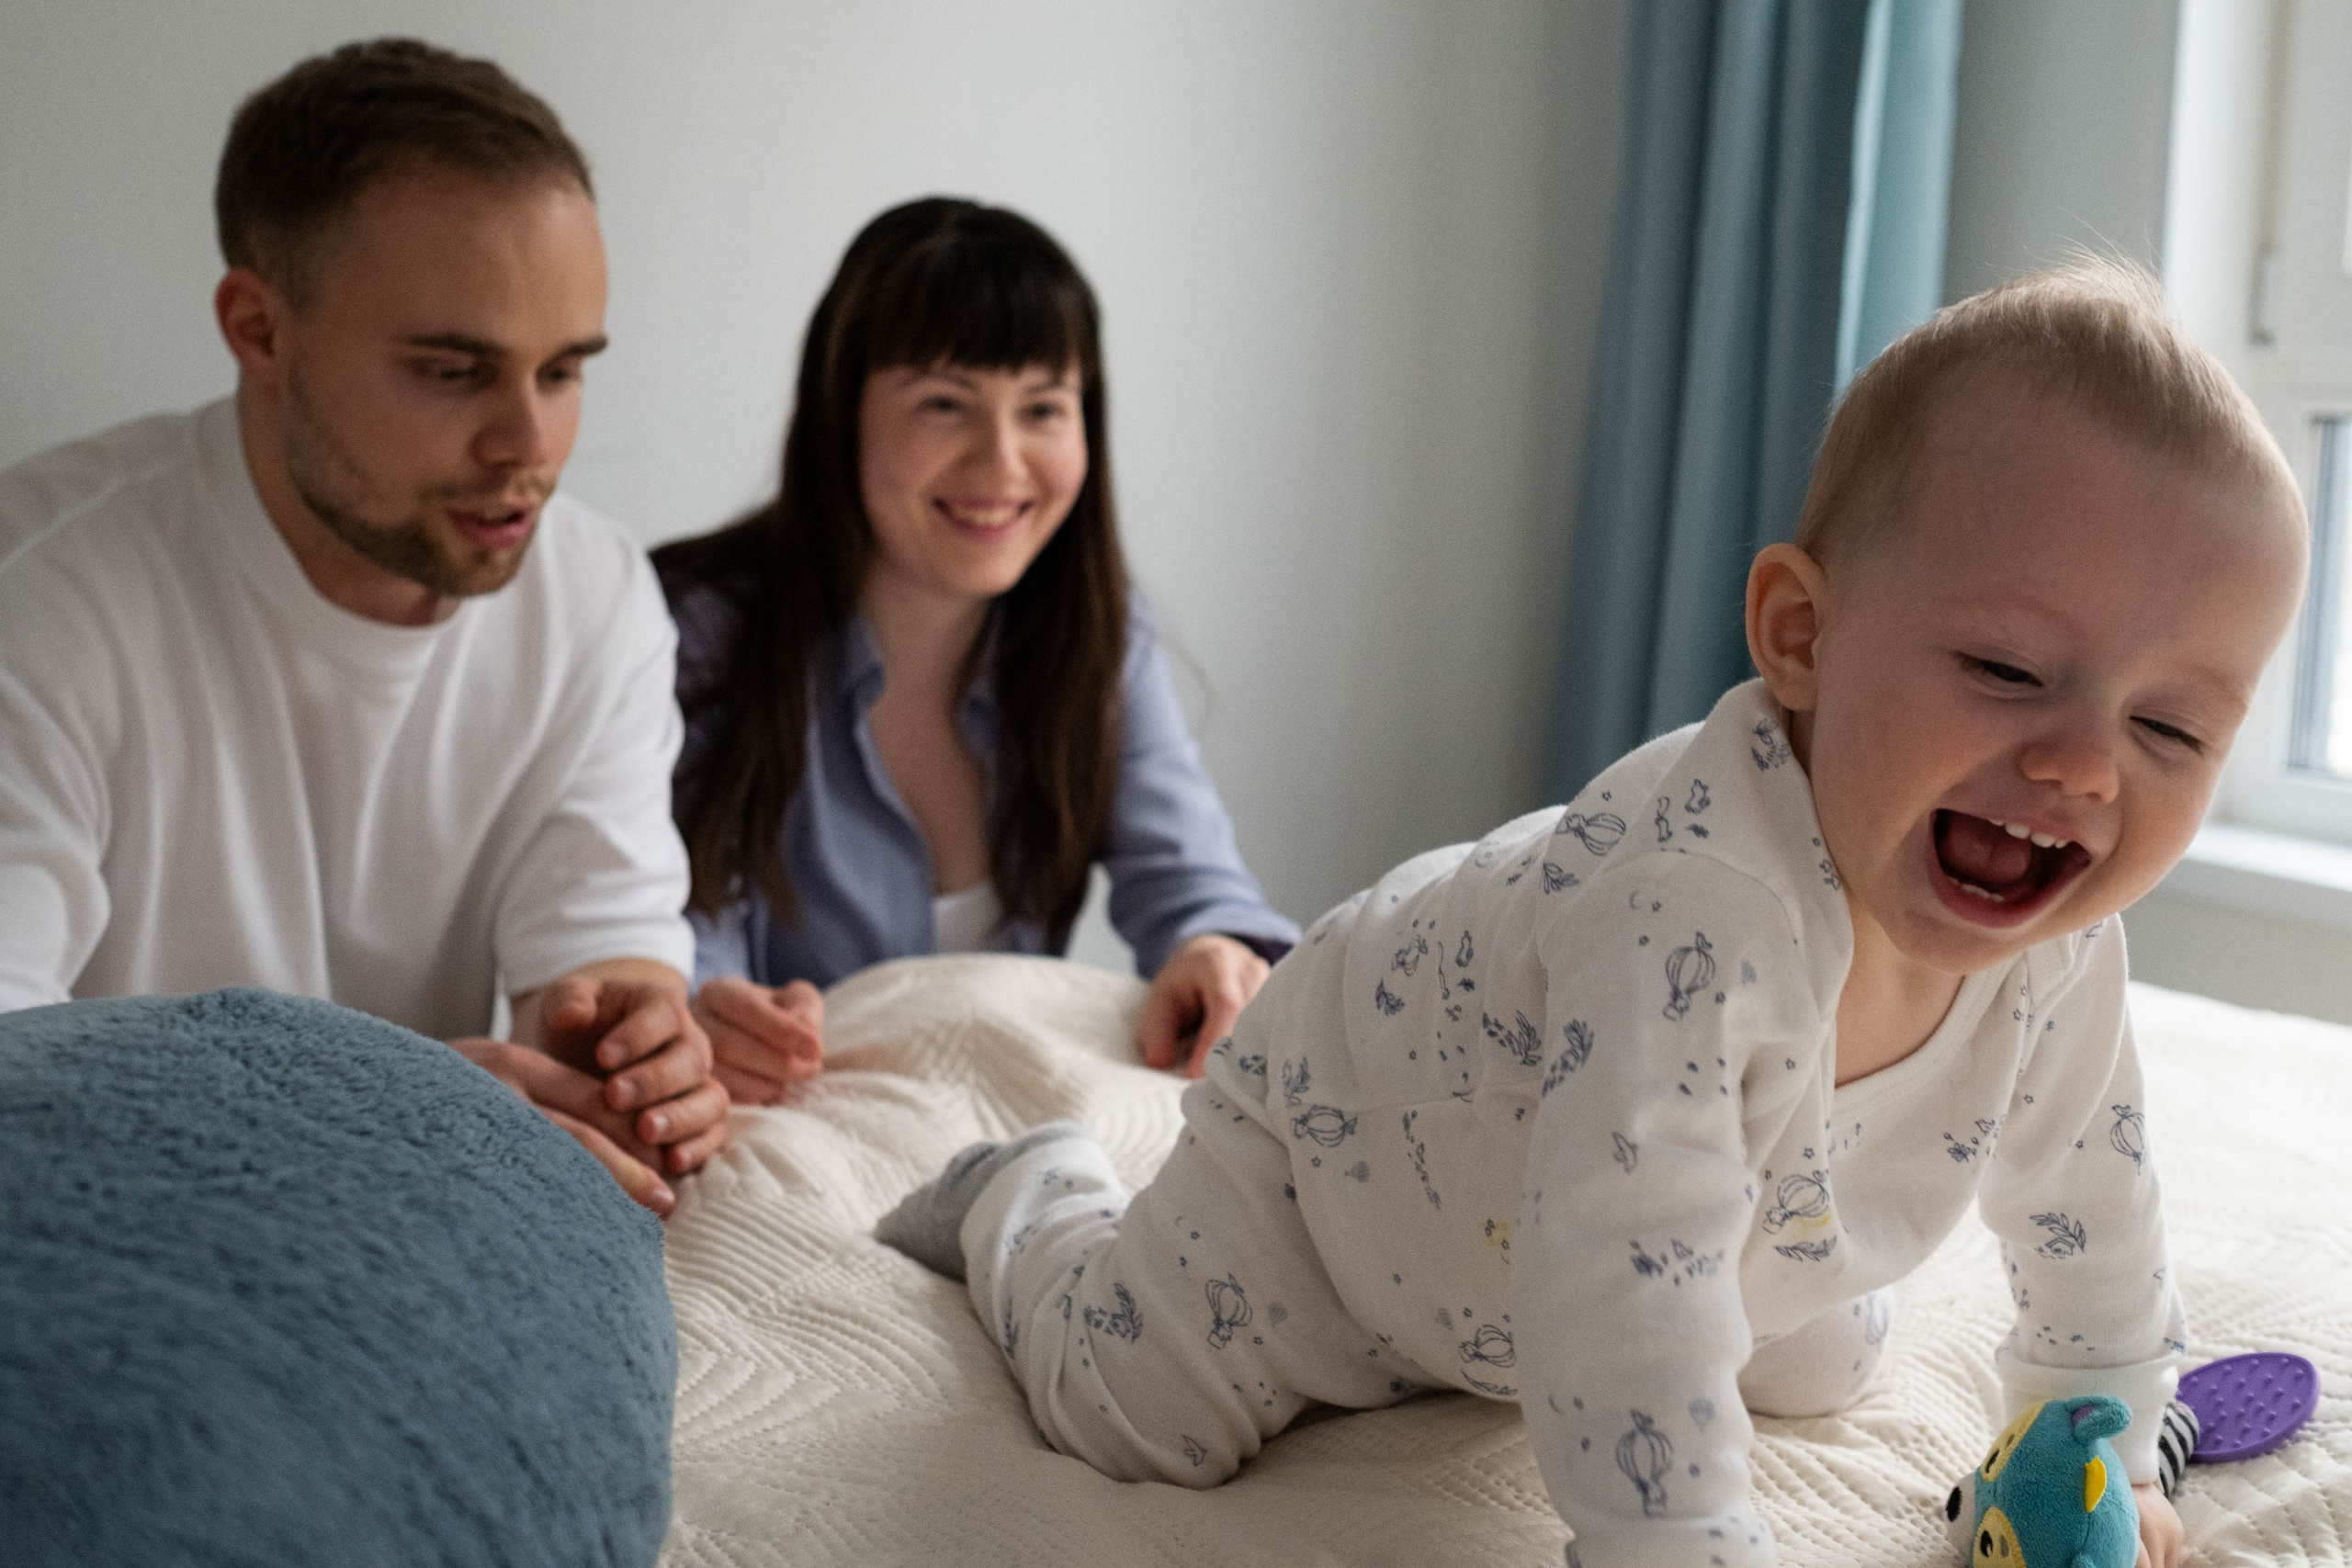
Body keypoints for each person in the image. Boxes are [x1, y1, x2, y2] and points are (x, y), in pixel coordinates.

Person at [874, 262, 2312, 1568]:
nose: (2082, 766)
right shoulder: (1693, 916)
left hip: (1623, 1218)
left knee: (1822, 1361)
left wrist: (2111, 1445)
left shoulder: (2060, 944)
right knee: (1136, 1415)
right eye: (2006, 668)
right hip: (1344, 1172)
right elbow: (1628, 1285)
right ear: (1801, 636)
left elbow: (2094, 1201)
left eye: (2171, 729)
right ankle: (1033, 1191)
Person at [0, 39, 726, 1215]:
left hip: (420, 1227)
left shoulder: (595, 595)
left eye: (561, 372)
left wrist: (630, 1055)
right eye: (453, 371)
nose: (529, 447)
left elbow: (596, 956)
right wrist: (391, 1110)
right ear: (260, 330)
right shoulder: (39, 595)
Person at [654, 197, 1297, 1106]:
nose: (1001, 463)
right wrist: (702, 1012)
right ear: (841, 413)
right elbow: (672, 927)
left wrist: (1216, 951)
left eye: (1042, 409)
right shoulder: (697, 629)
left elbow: (1193, 884)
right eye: (945, 405)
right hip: (774, 1130)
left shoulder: (1103, 638)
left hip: (996, 1137)